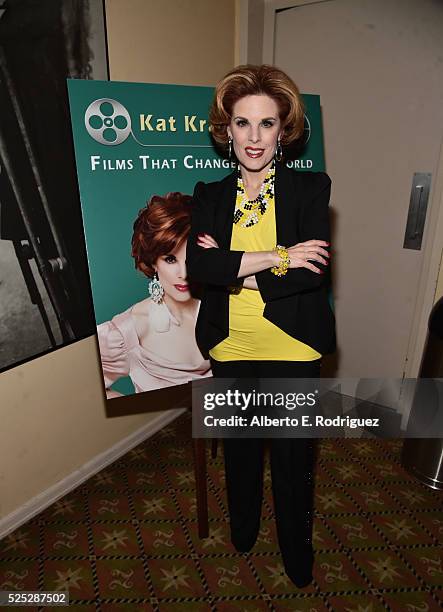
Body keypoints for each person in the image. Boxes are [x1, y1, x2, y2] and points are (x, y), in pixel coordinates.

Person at [186, 65, 336, 588]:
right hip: (231, 345)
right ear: (226, 130)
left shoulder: (311, 189)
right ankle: (244, 529)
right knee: (242, 453)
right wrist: (279, 255)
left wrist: (234, 266)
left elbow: (311, 275)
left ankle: (297, 547)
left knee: (294, 463)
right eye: (242, 124)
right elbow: (199, 272)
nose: (254, 138)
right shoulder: (208, 195)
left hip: (294, 347)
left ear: (284, 130)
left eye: (266, 124)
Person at [98, 192, 211, 399]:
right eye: (170, 260)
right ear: (152, 262)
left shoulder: (227, 308)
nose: (184, 274)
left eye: (191, 258)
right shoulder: (126, 331)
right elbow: (87, 391)